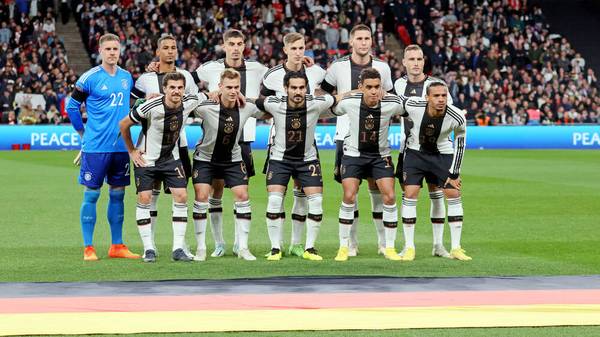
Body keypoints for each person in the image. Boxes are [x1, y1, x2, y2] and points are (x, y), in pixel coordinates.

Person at [252, 71, 344, 261]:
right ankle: (276, 248)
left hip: (307, 159)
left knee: (316, 201)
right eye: (293, 87)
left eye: (301, 87)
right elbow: (253, 102)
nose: (298, 91)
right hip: (279, 159)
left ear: (306, 89)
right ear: (285, 89)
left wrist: (356, 92)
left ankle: (309, 248)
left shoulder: (316, 103)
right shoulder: (274, 103)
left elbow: (337, 98)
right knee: (275, 201)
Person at [193, 29, 268, 258]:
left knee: (242, 194)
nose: (235, 48)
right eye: (231, 44)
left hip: (242, 139)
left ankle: (239, 243)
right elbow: (187, 84)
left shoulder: (258, 69)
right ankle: (218, 243)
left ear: (245, 45)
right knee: (214, 193)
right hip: (213, 140)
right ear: (224, 46)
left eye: (239, 43)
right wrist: (207, 94)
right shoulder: (209, 68)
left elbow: (278, 85)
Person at [321, 24, 394, 257]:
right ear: (351, 41)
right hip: (346, 137)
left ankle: (383, 243)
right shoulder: (337, 66)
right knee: (350, 192)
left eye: (367, 38)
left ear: (371, 41)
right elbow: (321, 95)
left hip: (375, 139)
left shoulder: (382, 67)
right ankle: (351, 243)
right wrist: (339, 96)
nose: (363, 42)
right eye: (359, 38)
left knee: (377, 188)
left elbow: (391, 97)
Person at [66, 33, 139, 261]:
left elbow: (134, 106)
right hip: (96, 148)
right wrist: (83, 135)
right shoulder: (89, 78)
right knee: (92, 195)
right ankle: (89, 247)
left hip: (120, 147)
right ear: (100, 51)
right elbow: (72, 107)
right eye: (107, 49)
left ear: (120, 51)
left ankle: (116, 245)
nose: (112, 53)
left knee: (118, 196)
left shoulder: (127, 77)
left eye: (115, 49)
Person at [119, 72, 206, 262]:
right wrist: (132, 151)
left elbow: (208, 94)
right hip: (147, 159)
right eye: (172, 87)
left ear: (184, 89)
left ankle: (177, 249)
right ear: (164, 89)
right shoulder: (151, 106)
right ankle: (148, 248)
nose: (176, 91)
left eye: (180, 87)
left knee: (182, 196)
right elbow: (124, 124)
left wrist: (217, 93)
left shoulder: (189, 101)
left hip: (171, 159)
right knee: (145, 198)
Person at [260, 32, 326, 257]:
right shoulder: (272, 76)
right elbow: (262, 105)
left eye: (302, 48)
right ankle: (275, 246)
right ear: (285, 49)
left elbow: (325, 96)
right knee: (277, 198)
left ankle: (298, 244)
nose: (299, 53)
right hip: (279, 142)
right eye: (294, 48)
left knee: (302, 196)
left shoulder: (316, 72)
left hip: (306, 144)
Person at [131, 35, 198, 256]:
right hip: (151, 145)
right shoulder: (145, 79)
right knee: (151, 195)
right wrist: (145, 100)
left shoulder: (186, 76)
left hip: (179, 145)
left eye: (173, 48)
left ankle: (180, 244)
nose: (170, 51)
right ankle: (150, 245)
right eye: (165, 48)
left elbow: (196, 104)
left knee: (180, 194)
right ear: (157, 51)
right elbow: (134, 107)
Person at [332, 68, 403, 262]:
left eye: (377, 87)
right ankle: (344, 246)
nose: (374, 91)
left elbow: (410, 109)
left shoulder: (392, 103)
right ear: (360, 87)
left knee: (389, 196)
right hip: (353, 154)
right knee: (349, 195)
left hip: (380, 156)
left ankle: (388, 247)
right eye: (369, 87)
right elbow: (330, 107)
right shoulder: (350, 102)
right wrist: (346, 94)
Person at [399, 82, 471, 261]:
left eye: (444, 96)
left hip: (442, 153)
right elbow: (396, 101)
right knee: (410, 194)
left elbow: (460, 144)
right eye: (436, 96)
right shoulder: (414, 105)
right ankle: (409, 247)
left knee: (453, 193)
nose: (441, 99)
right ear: (427, 98)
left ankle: (453, 247)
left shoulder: (457, 116)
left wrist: (454, 174)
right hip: (415, 153)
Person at [394, 44, 453, 258]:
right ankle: (409, 245)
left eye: (419, 59)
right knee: (408, 195)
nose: (416, 63)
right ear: (404, 62)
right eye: (411, 59)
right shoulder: (398, 85)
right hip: (409, 149)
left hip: (435, 151)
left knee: (437, 195)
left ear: (424, 61)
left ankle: (438, 245)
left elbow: (449, 113)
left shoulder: (436, 86)